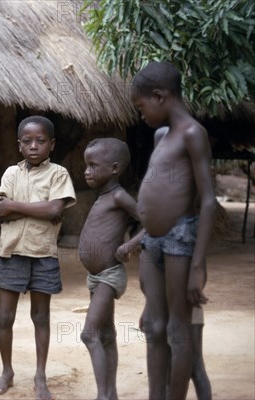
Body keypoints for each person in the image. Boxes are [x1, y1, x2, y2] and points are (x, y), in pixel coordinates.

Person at [131, 61, 216, 399]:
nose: (141, 115)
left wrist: (198, 265)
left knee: (177, 330)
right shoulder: (161, 135)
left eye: (141, 107)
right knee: (153, 327)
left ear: (160, 96)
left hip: (181, 239)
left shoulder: (194, 134)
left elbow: (207, 201)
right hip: (152, 242)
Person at [0, 116, 76, 400]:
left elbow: (54, 211)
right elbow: (2, 210)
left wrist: (17, 206)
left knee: (40, 317)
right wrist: (30, 207)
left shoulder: (58, 174)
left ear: (51, 144)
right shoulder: (11, 173)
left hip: (43, 254)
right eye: (27, 141)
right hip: (12, 252)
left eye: (40, 141)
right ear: (19, 145)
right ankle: (7, 371)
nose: (34, 146)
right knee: (4, 317)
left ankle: (40, 375)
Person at [78, 138, 145, 400]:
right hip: (95, 277)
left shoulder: (119, 196)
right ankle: (111, 394)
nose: (87, 171)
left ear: (114, 168)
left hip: (108, 276)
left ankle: (103, 395)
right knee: (105, 335)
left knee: (89, 334)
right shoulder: (105, 196)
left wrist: (130, 245)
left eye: (93, 165)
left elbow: (150, 222)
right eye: (86, 165)